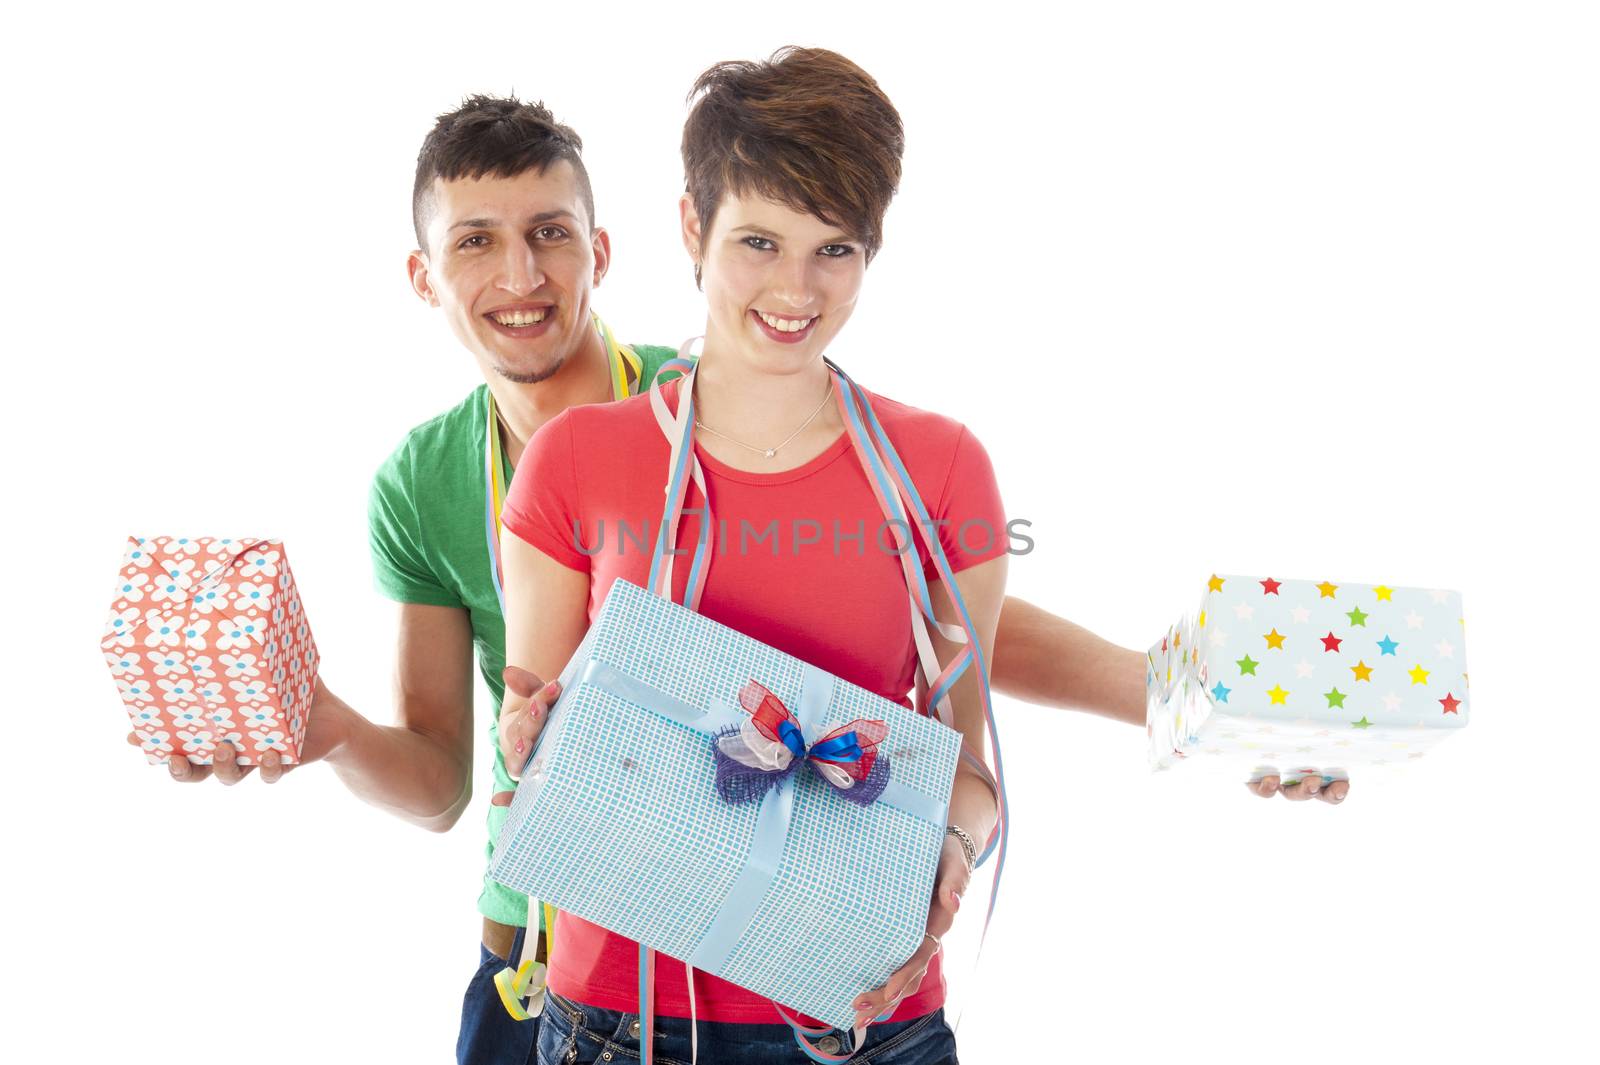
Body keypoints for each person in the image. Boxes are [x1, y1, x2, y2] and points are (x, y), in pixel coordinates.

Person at [128, 89, 1349, 1065]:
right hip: (561, 954)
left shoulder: (731, 391)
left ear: (607, 248)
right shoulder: (436, 482)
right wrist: (316, 724)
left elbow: (942, 628)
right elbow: (447, 774)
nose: (521, 276)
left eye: (550, 233)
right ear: (423, 276)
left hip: (831, 975)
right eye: (476, 244)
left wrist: (1197, 701)